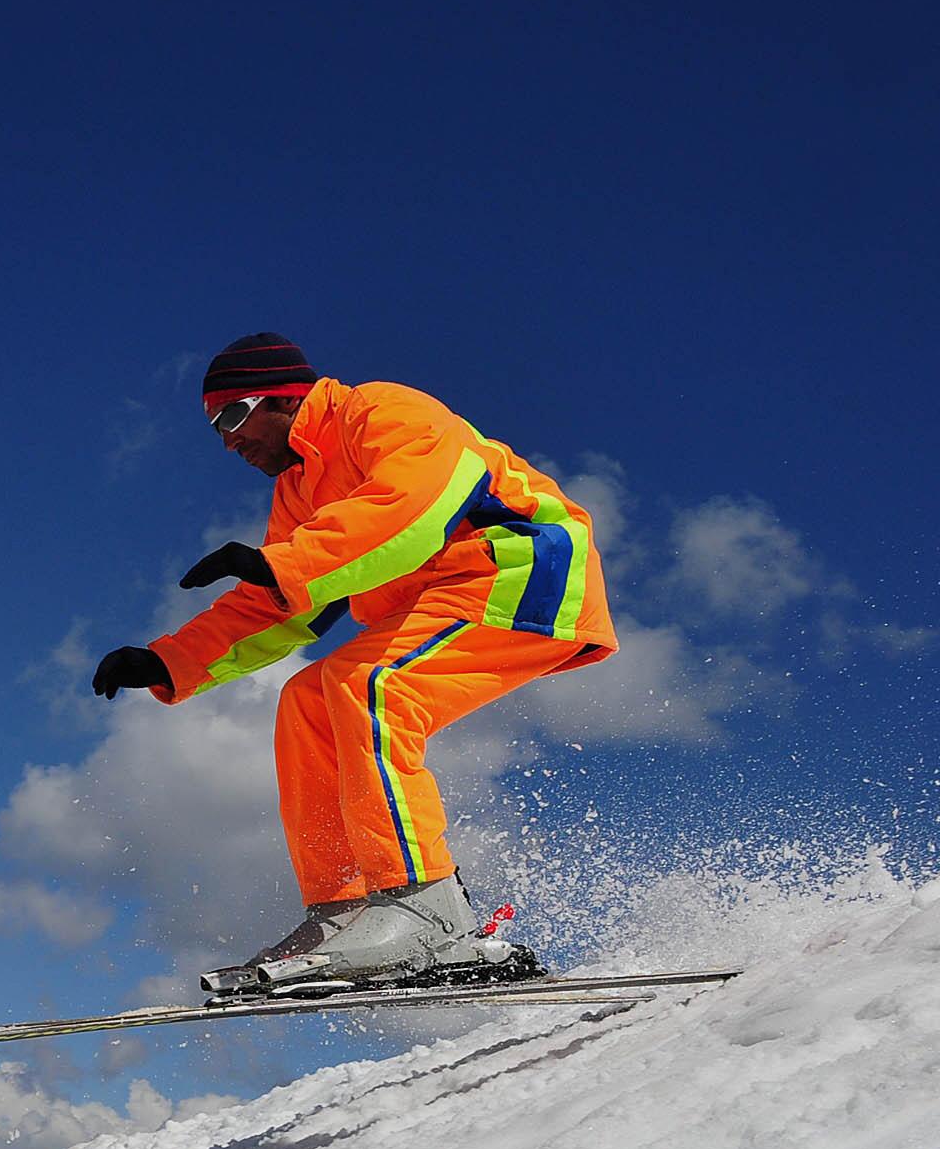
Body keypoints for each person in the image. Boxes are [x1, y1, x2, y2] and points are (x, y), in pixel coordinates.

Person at [90, 333, 616, 993]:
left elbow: (413, 510)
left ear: (282, 397)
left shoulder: (382, 411)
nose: (227, 440)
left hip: (515, 569)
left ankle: (426, 906)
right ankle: (348, 908)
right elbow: (284, 605)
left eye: (231, 416)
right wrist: (168, 661)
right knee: (307, 700)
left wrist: (283, 563)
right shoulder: (299, 488)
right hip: (440, 596)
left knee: (371, 687)